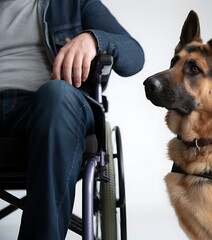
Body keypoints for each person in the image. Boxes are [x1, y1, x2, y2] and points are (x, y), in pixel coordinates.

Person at [0, 0, 144, 239]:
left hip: (49, 109)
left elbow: (135, 58)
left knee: (55, 93)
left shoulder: (72, 3)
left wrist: (95, 39)